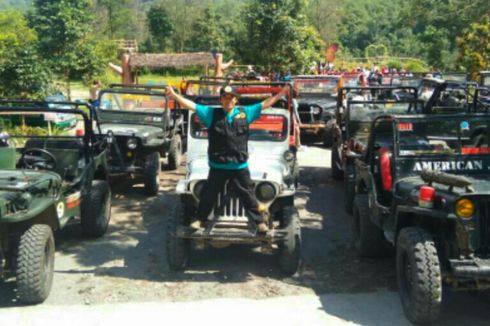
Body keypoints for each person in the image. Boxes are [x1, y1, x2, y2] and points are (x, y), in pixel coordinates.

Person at [165, 84, 290, 233]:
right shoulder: (211, 113)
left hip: (239, 166)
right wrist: (174, 96)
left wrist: (282, 92)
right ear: (221, 99)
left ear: (236, 100)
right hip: (218, 166)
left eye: (231, 97)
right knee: (208, 195)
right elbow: (192, 106)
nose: (228, 100)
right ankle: (200, 219)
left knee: (249, 196)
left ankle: (259, 223)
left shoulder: (246, 113)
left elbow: (265, 104)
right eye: (225, 97)